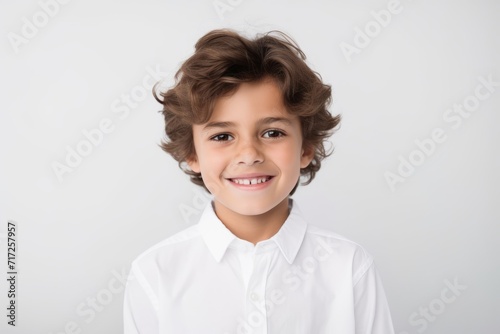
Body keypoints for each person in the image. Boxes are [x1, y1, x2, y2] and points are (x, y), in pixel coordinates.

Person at [123, 29, 395, 334]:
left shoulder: (349, 268)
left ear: (306, 147)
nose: (249, 154)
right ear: (192, 153)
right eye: (222, 136)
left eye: (272, 133)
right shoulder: (154, 274)